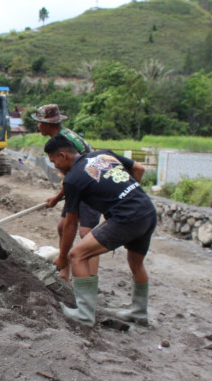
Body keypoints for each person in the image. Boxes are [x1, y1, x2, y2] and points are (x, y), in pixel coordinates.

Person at [44, 135, 157, 327]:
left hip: (126, 218)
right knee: (136, 264)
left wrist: (62, 256)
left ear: (63, 155)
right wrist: (127, 194)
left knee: (77, 255)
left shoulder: (72, 179)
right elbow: (138, 168)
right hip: (146, 210)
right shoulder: (103, 154)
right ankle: (139, 312)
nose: (55, 166)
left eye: (54, 161)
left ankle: (84, 314)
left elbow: (70, 224)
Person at [34, 104, 101, 282]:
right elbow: (71, 179)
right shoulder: (59, 139)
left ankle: (91, 279)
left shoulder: (67, 142)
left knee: (87, 235)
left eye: (40, 123)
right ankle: (64, 272)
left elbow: (75, 176)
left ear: (49, 124)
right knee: (62, 227)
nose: (38, 126)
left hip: (91, 186)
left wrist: (57, 198)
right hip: (78, 185)